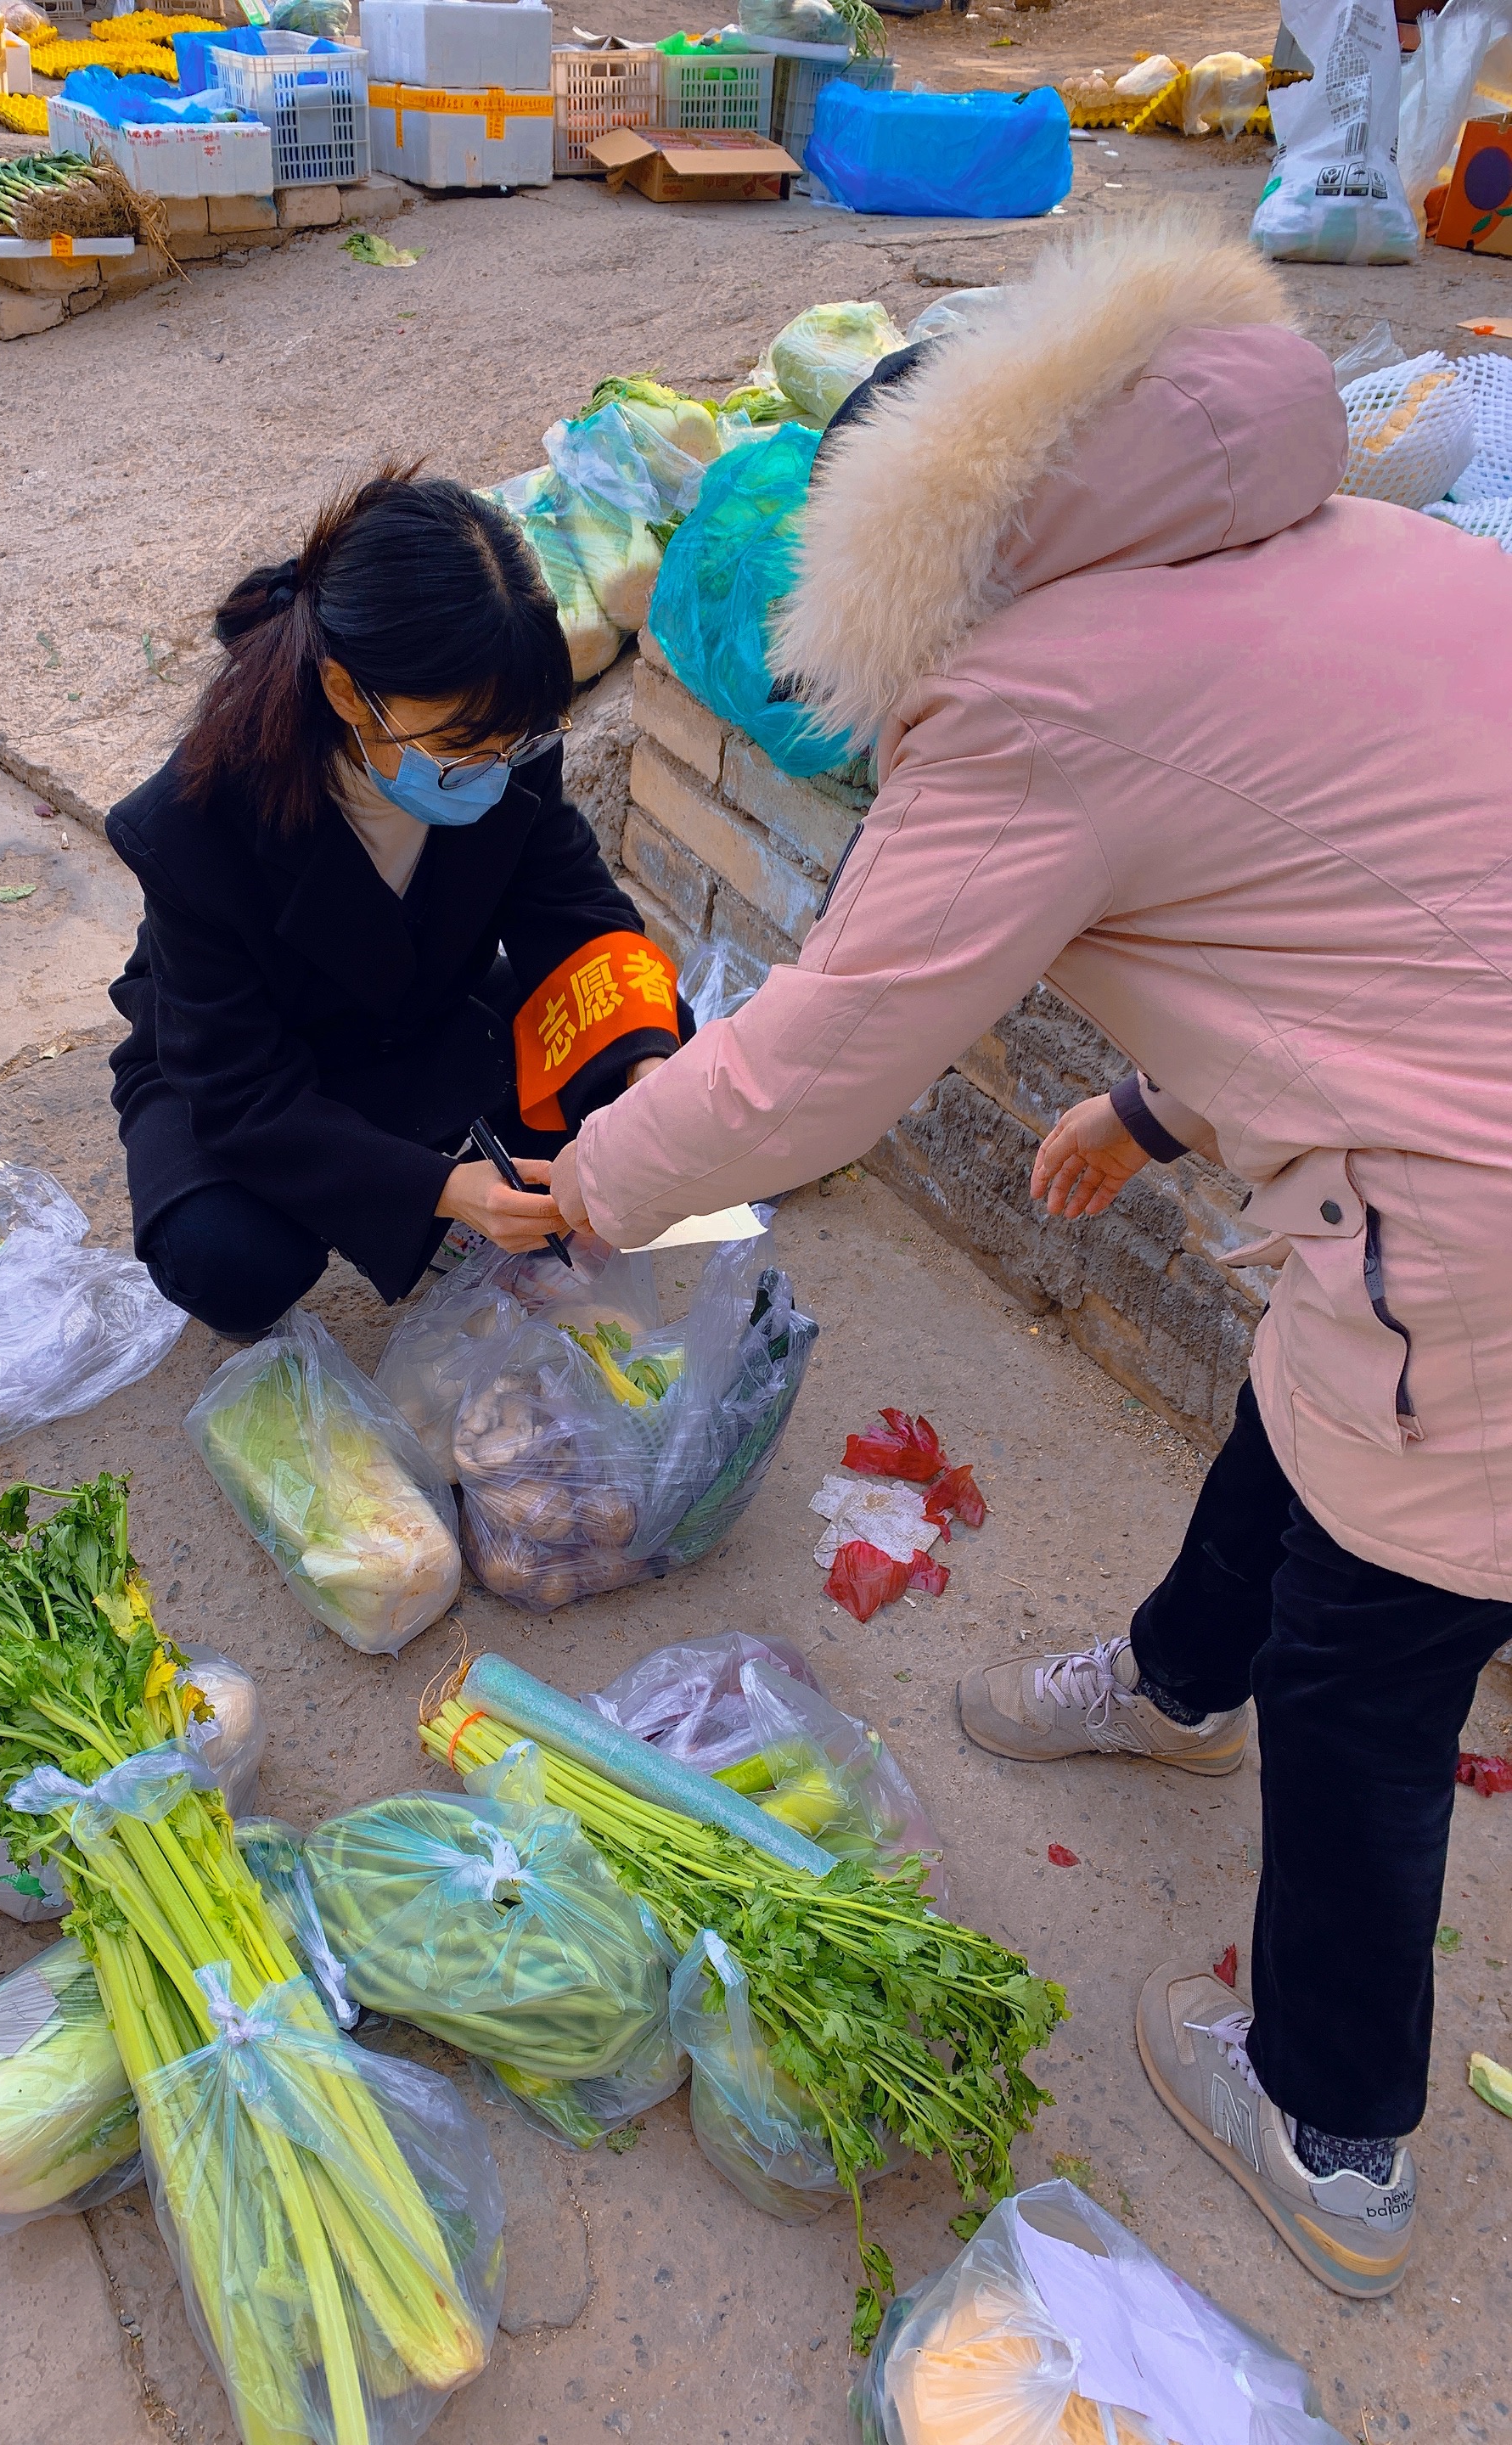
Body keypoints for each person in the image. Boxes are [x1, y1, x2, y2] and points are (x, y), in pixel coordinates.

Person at [551, 213, 1512, 2298]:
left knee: (1373, 1663)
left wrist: (588, 1184)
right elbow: (1373, 914)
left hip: (1483, 1237)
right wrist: (1153, 1108)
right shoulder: (1346, 549)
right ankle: (1174, 1688)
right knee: (1322, 1411)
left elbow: (813, 1060)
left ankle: (1331, 2127)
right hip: (1445, 1173)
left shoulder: (1037, 696)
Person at [104, 464, 685, 1338]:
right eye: (458, 746)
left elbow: (573, 914)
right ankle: (419, 1168)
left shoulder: (506, 749)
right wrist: (444, 1190)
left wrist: (646, 1073)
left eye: (510, 743)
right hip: (241, 1064)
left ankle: (470, 1143)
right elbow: (239, 1089)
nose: (490, 770)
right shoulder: (194, 823)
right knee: (227, 1258)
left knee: (652, 1041)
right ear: (347, 692)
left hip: (420, 1016)